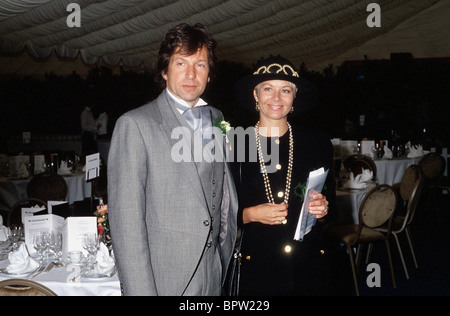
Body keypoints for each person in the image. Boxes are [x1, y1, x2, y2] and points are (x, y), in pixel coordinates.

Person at [107, 23, 238, 296]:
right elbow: (126, 226)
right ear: (165, 71)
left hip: (213, 274)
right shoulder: (134, 125)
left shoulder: (218, 119)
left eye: (200, 65)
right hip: (164, 279)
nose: (191, 74)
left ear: (210, 74)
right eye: (181, 63)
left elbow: (223, 191)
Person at [231, 56, 351, 296]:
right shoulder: (234, 143)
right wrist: (249, 214)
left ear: (294, 98)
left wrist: (323, 210)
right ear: (256, 95)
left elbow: (332, 210)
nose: (276, 98)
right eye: (268, 89)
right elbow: (215, 213)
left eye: (285, 90)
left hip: (308, 265)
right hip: (256, 264)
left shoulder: (316, 143)